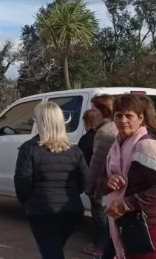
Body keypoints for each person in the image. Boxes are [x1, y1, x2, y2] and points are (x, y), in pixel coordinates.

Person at [96, 94, 156, 259]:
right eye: (118, 115)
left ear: (141, 118)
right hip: (129, 227)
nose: (123, 120)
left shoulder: (146, 146)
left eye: (129, 116)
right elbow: (99, 181)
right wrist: (108, 181)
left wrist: (126, 204)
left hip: (154, 228)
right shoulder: (116, 147)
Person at [14, 100, 89, 259]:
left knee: (51, 252)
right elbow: (85, 182)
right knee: (54, 250)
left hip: (42, 211)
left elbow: (22, 182)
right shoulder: (74, 150)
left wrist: (27, 201)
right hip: (71, 210)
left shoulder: (29, 149)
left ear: (39, 121)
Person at [86, 94, 117, 259]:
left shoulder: (104, 132)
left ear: (103, 111)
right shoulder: (114, 128)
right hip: (113, 184)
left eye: (94, 110)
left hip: (104, 185)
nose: (92, 114)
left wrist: (90, 186)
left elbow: (97, 162)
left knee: (100, 216)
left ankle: (102, 248)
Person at [78, 108, 105, 256]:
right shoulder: (108, 135)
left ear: (87, 122)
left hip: (95, 183)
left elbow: (81, 163)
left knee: (99, 215)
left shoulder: (87, 139)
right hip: (107, 182)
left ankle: (100, 245)